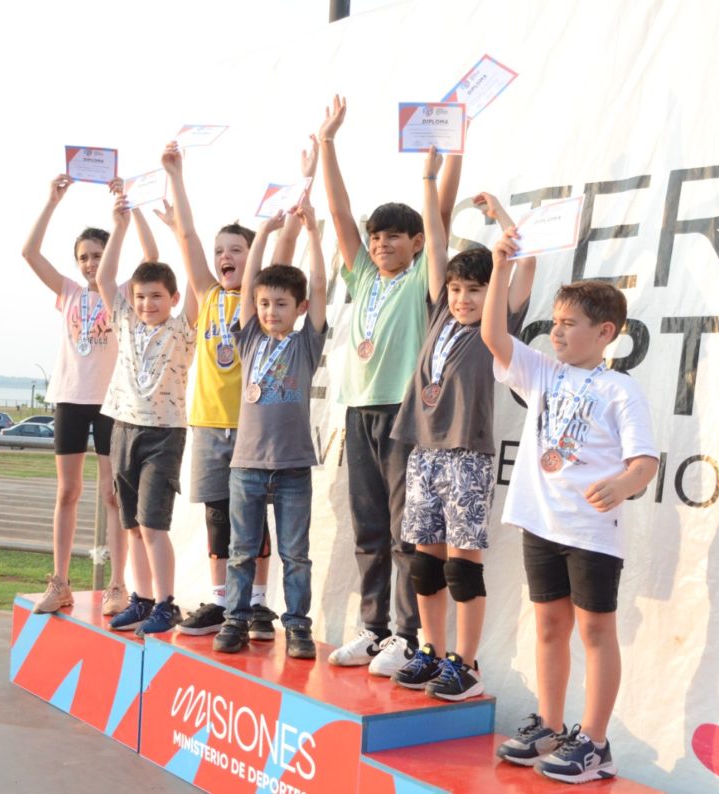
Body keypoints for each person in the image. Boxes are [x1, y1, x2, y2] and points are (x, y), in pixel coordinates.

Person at [484, 230, 658, 782]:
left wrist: (624, 484)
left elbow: (645, 462)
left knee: (596, 632)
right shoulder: (542, 371)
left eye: (569, 323)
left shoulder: (620, 391)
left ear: (604, 333)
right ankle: (553, 725)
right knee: (549, 626)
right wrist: (499, 265)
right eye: (554, 321)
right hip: (542, 522)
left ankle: (596, 742)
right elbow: (493, 334)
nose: (556, 330)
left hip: (591, 530)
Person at [316, 95, 462, 675]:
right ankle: (372, 629)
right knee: (369, 526)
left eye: (395, 237)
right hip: (358, 411)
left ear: (417, 242)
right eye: (376, 238)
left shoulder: (421, 282)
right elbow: (340, 210)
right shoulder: (360, 278)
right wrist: (327, 143)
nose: (381, 244)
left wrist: (451, 150)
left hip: (405, 414)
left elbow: (441, 213)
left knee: (408, 527)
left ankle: (406, 634)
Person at [154, 139, 316, 639]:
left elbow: (286, 244)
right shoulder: (206, 295)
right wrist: (176, 174)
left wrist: (305, 179)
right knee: (220, 520)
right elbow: (185, 235)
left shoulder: (259, 307)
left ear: (253, 260)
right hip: (208, 424)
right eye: (221, 251)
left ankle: (262, 606)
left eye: (236, 250)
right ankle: (226, 603)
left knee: (262, 527)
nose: (225, 257)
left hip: (253, 433)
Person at [389, 149, 532, 701]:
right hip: (423, 451)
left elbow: (524, 263)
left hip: (467, 454)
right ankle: (431, 649)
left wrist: (500, 218)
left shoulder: (497, 324)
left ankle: (466, 665)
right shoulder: (439, 313)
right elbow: (437, 240)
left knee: (462, 566)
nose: (464, 299)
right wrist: (429, 176)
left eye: (474, 290)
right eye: (457, 290)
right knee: (424, 562)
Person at [21, 174, 156, 616]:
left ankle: (118, 584)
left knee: (114, 494)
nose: (90, 264)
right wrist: (52, 201)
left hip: (112, 402)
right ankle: (59, 582)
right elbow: (29, 253)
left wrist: (127, 210)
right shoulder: (69, 292)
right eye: (84, 257)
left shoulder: (120, 293)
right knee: (68, 491)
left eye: (97, 256)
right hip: (70, 397)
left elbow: (152, 258)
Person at [211, 196, 327, 659]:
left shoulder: (306, 343)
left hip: (294, 466)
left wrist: (314, 234)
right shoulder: (251, 336)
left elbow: (318, 283)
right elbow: (249, 283)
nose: (270, 310)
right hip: (247, 466)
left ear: (299, 308)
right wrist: (263, 233)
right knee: (241, 551)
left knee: (295, 555)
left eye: (281, 304)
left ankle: (297, 626)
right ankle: (235, 620)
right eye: (264, 303)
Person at [98, 190, 198, 637]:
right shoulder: (125, 322)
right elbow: (104, 278)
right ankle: (140, 598)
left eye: (156, 296)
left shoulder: (182, 328)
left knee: (154, 525)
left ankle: (165, 603)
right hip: (122, 428)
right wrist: (120, 224)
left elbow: (199, 283)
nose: (146, 305)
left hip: (164, 434)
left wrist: (179, 231)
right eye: (139, 297)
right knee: (133, 525)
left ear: (173, 298)